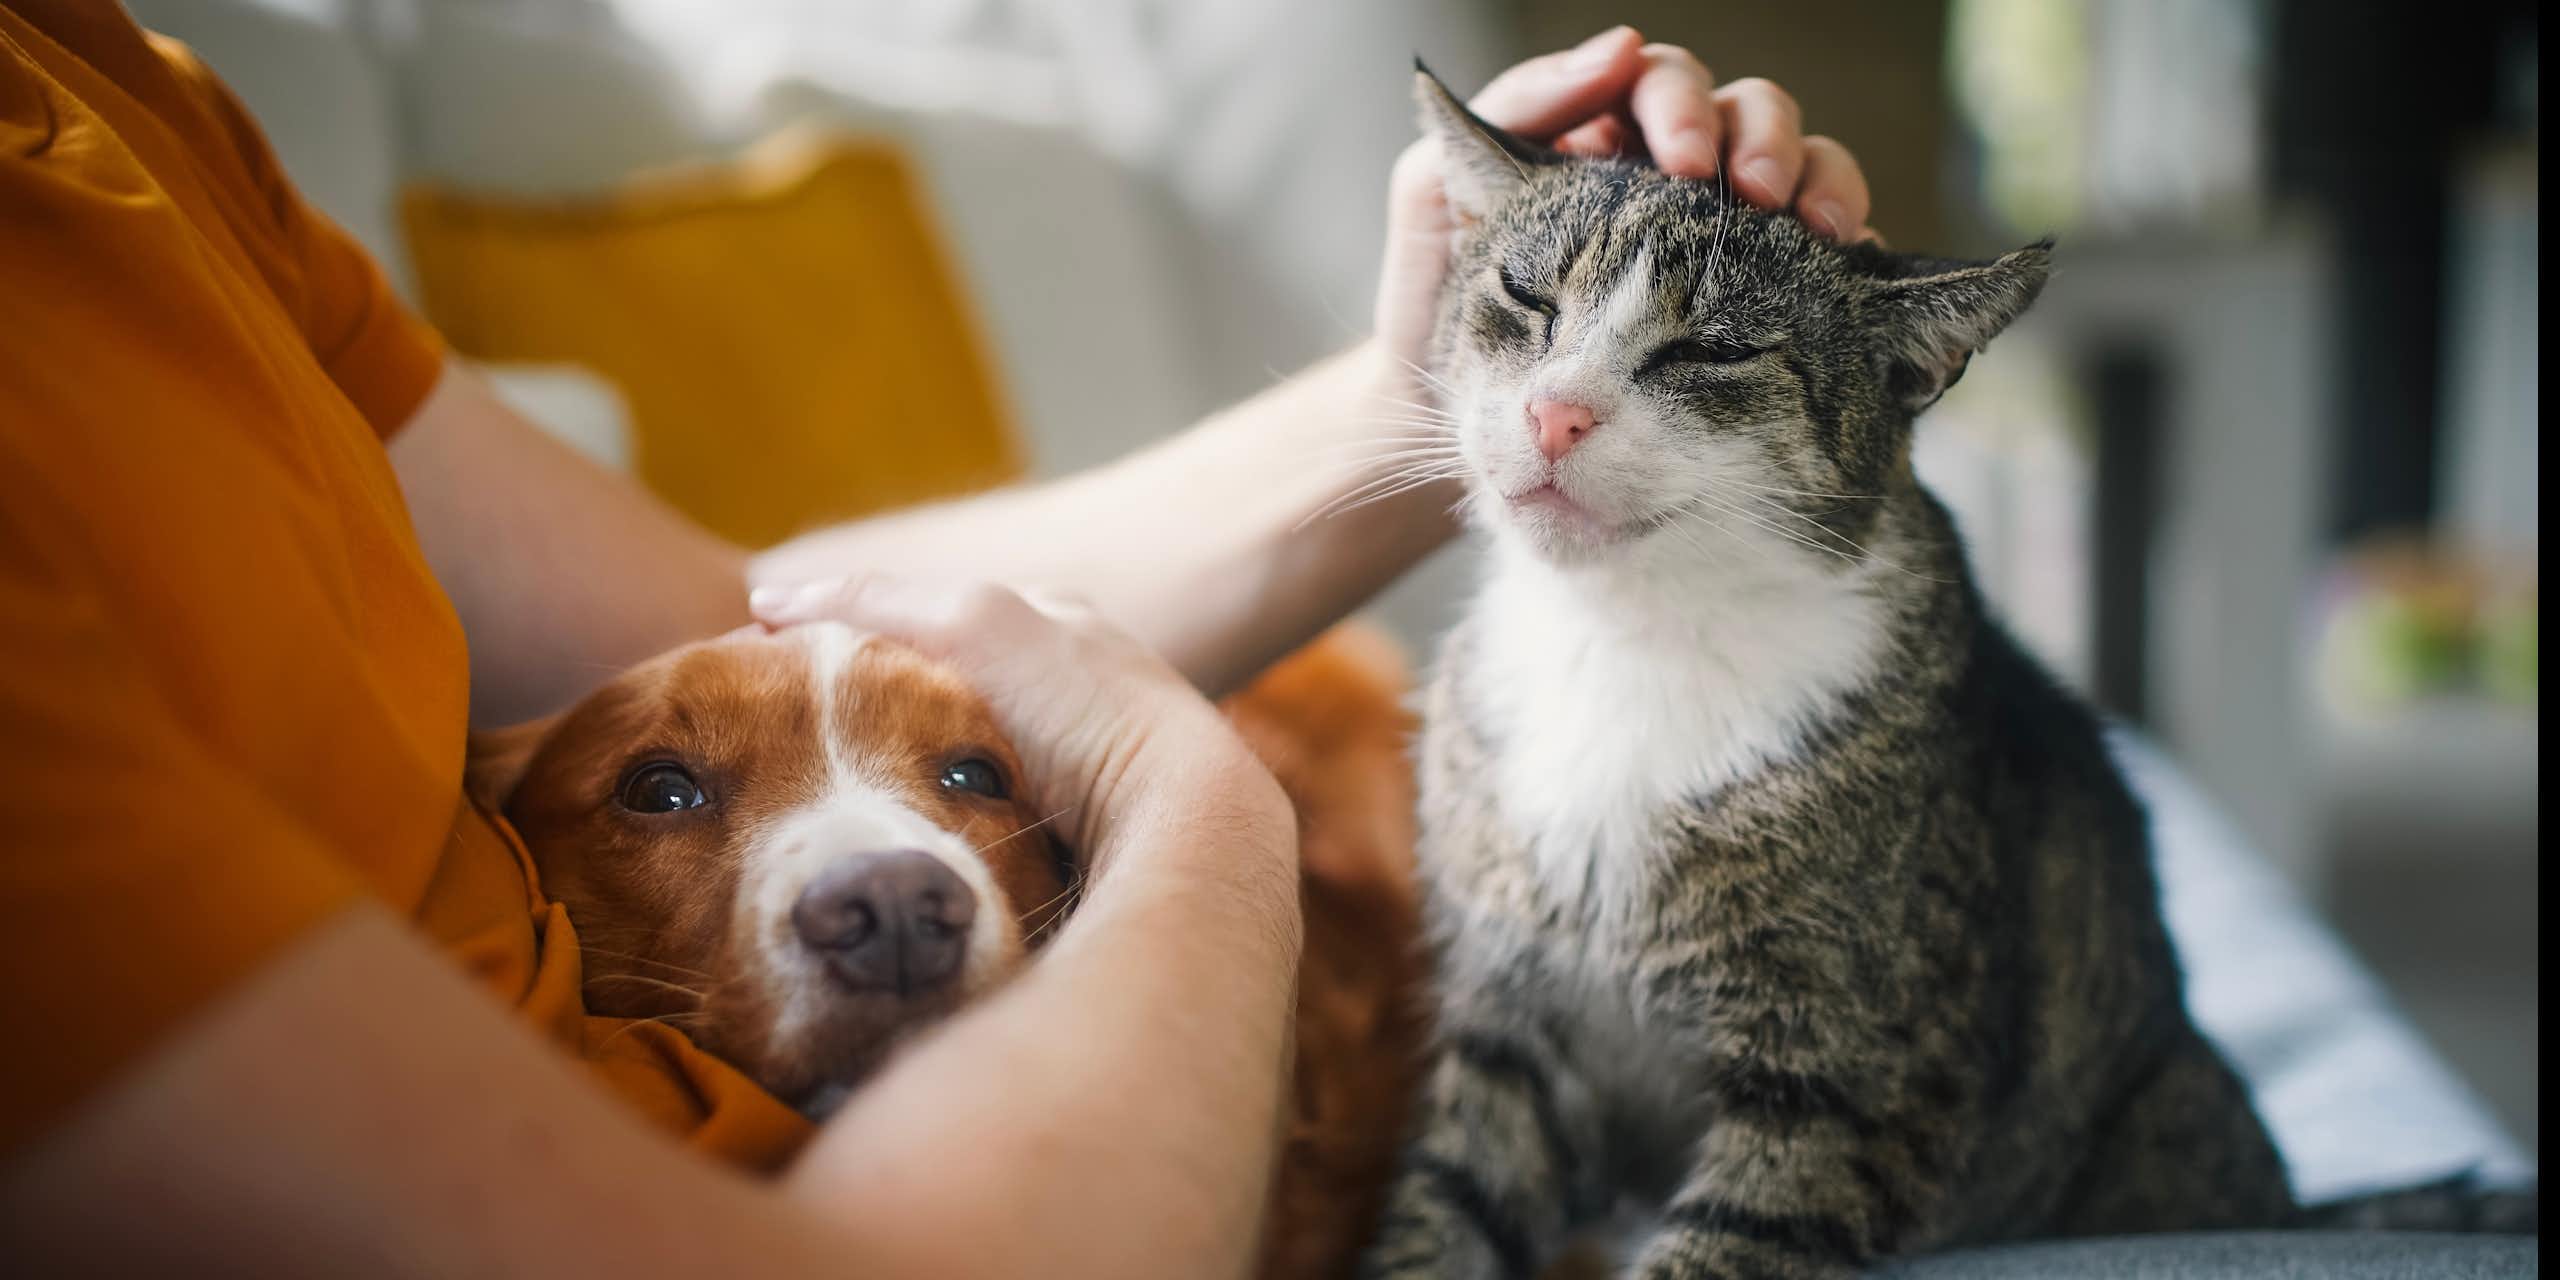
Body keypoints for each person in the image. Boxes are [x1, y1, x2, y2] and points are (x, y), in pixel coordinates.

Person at [0, 5, 1874, 1274]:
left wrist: (1418, 409)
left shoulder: (117, 97)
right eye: (659, 792)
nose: (877, 883)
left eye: (976, 783)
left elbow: (745, 635)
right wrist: (1187, 808)